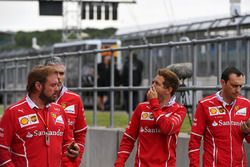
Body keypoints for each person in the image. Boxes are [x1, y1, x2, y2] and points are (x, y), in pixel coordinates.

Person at [0, 65, 79, 167]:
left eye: (58, 85)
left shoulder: (59, 110)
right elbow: (2, 149)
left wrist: (72, 150)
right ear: (38, 86)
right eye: (53, 85)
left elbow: (67, 142)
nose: (57, 89)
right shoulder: (13, 112)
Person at [114, 68, 186, 167]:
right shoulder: (141, 108)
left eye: (157, 84)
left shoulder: (179, 110)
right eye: (153, 82)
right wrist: (119, 162)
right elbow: (128, 138)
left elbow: (167, 128)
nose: (152, 86)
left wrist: (154, 104)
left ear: (168, 90)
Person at [189, 66, 250, 167]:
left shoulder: (246, 104)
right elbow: (194, 140)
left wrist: (248, 133)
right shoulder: (205, 104)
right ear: (223, 82)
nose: (238, 90)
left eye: (240, 86)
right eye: (234, 85)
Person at [45, 56, 87, 167]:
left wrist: (76, 161)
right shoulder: (36, 100)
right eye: (54, 73)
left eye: (61, 73)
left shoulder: (75, 99)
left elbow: (81, 133)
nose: (58, 77)